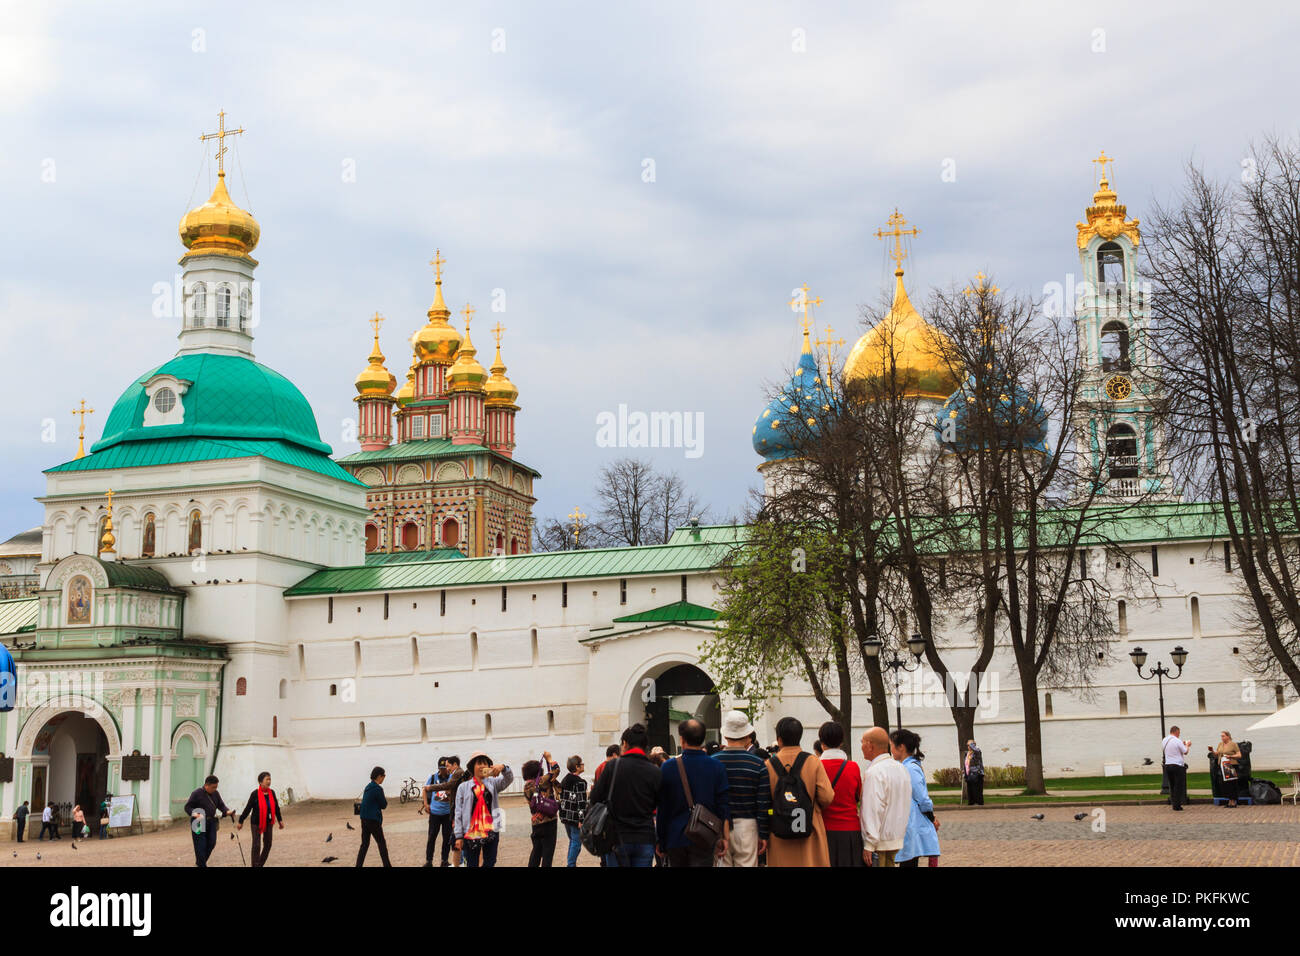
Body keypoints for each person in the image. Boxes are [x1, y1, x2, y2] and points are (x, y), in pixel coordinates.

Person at [657, 718, 730, 866]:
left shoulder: (668, 767)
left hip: (675, 836)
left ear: (682, 740)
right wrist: (724, 837)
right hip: (705, 836)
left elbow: (663, 807)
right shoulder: (716, 767)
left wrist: (661, 840)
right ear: (703, 739)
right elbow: (723, 806)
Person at [586, 723, 661, 867]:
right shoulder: (654, 771)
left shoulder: (612, 767)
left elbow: (595, 797)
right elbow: (661, 804)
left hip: (617, 836)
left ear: (625, 744)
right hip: (644, 836)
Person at [764, 716, 834, 867]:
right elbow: (827, 796)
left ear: (779, 739)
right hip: (809, 828)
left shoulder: (769, 764)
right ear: (799, 737)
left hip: (778, 831)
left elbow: (765, 800)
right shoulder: (813, 762)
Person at [714, 710, 770, 867]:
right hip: (748, 826)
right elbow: (763, 803)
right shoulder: (758, 764)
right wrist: (763, 833)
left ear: (725, 736)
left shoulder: (713, 762)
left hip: (719, 825)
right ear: (748, 737)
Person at [859, 727, 911, 867]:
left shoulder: (875, 772)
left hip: (878, 842)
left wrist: (869, 844)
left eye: (862, 742)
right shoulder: (901, 769)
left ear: (870, 745)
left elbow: (873, 809)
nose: (861, 747)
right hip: (896, 838)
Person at [453, 752, 514, 868]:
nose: (482, 766)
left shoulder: (493, 783)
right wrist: (458, 836)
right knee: (471, 863)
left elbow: (509, 779)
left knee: (490, 862)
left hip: (491, 830)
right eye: (479, 763)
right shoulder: (463, 787)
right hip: (470, 831)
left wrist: (503, 767)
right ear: (472, 767)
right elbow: (458, 812)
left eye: (484, 763)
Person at [891, 729, 941, 867]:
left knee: (909, 860)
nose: (891, 750)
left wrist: (931, 817)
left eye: (892, 746)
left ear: (901, 747)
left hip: (911, 823)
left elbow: (922, 798)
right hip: (908, 822)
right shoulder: (906, 766)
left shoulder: (910, 768)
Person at [817, 721, 864, 867]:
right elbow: (858, 797)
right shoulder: (853, 767)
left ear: (821, 743)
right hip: (850, 830)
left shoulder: (816, 767)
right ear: (842, 742)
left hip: (823, 830)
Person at [184, 775, 235, 867]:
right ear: (206, 785)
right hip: (198, 822)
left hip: (211, 822)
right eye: (213, 787)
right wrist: (195, 813)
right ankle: (202, 865)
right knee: (200, 845)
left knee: (212, 842)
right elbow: (187, 807)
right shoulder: (196, 793)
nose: (215, 789)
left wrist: (228, 811)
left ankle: (199, 863)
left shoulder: (216, 793)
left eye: (216, 787)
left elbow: (221, 805)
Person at [237, 771, 284, 867]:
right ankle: (254, 865)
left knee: (268, 844)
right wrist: (241, 821)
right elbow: (248, 808)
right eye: (267, 779)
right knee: (256, 845)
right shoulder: (255, 794)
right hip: (256, 822)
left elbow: (276, 808)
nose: (269, 781)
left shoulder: (272, 793)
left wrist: (280, 820)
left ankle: (259, 864)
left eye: (270, 779)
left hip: (269, 822)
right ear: (260, 782)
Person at [523, 752, 562, 867]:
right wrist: (549, 758)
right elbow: (556, 770)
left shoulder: (526, 786)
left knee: (536, 852)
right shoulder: (542, 780)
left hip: (536, 823)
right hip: (549, 821)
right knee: (547, 854)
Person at [422, 756, 461, 866]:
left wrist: (439, 795)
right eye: (441, 768)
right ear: (438, 768)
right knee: (431, 838)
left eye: (445, 767)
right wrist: (426, 804)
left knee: (447, 839)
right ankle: (429, 861)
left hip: (447, 814)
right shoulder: (433, 777)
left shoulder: (452, 778)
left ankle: (444, 860)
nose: (444, 770)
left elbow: (449, 794)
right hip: (435, 813)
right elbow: (425, 789)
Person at [356, 766, 391, 867]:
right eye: (383, 776)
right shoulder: (377, 788)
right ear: (379, 776)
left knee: (364, 844)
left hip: (364, 818)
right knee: (381, 843)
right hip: (373, 820)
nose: (384, 778)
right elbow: (384, 805)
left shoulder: (368, 786)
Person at [558, 755, 588, 868]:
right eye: (582, 763)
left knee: (572, 841)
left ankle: (571, 863)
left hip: (566, 816)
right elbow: (581, 803)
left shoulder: (565, 779)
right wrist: (582, 819)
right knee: (576, 843)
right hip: (575, 818)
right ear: (577, 766)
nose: (583, 765)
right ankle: (571, 864)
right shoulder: (580, 783)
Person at [1162, 726, 1190, 811]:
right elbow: (1185, 752)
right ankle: (1177, 806)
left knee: (1172, 785)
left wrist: (1183, 743)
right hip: (1177, 765)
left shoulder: (1164, 740)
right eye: (1179, 733)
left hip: (1168, 765)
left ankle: (1174, 804)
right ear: (1176, 732)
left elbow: (1173, 746)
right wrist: (1187, 745)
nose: (1179, 734)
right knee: (1178, 786)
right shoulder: (1177, 740)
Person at [1213, 731, 1243, 808]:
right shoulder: (1220, 744)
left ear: (1228, 736)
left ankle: (1234, 801)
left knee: (1232, 782)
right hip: (1222, 765)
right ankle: (1229, 801)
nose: (1222, 738)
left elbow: (1239, 755)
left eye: (1223, 736)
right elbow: (1217, 753)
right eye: (1221, 736)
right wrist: (1212, 751)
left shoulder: (1233, 744)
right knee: (1225, 783)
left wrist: (1231, 756)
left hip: (1230, 765)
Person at [964, 740, 985, 806]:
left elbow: (977, 750)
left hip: (977, 773)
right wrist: (964, 770)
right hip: (969, 773)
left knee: (977, 789)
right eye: (967, 745)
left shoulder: (977, 752)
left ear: (973, 745)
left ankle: (978, 802)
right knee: (970, 789)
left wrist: (972, 744)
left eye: (969, 745)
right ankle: (971, 802)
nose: (968, 746)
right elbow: (966, 763)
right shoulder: (967, 753)